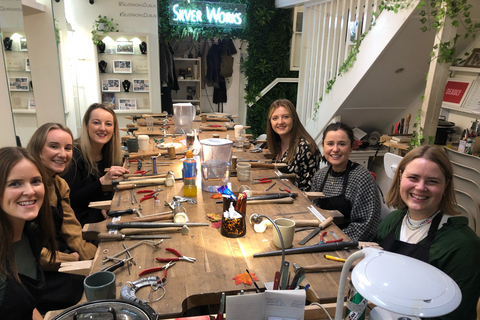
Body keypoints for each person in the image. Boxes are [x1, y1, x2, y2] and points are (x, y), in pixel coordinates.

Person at [376, 145, 480, 320]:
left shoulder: (463, 246)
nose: (420, 187)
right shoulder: (392, 221)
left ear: (446, 184)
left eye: (432, 181)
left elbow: (457, 315)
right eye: (413, 177)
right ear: (400, 177)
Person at [27, 123, 97, 268]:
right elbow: (32, 252)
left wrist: (94, 255)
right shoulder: (26, 192)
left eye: (68, 148)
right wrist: (72, 259)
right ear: (38, 148)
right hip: (34, 268)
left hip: (56, 254)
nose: (63, 154)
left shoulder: (60, 184)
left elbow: (71, 230)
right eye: (54, 146)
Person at [0, 147, 56, 320]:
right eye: (15, 183)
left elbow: (28, 306)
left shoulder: (30, 235)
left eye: (35, 181)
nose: (30, 191)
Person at [311, 122, 380, 241]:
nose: (335, 149)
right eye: (330, 144)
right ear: (323, 146)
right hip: (322, 237)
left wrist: (333, 239)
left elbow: (366, 227)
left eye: (342, 144)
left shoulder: (361, 178)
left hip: (350, 244)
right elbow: (315, 213)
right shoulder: (320, 176)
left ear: (351, 147)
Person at [63, 103, 129, 225]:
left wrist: (105, 202)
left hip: (98, 213)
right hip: (80, 223)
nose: (102, 128)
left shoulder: (108, 153)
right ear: (86, 126)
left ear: (114, 129)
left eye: (108, 124)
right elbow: (72, 200)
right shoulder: (74, 157)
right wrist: (102, 181)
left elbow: (105, 193)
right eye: (96, 122)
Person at [266, 99, 321, 191]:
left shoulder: (306, 148)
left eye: (286, 117)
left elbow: (309, 188)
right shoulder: (273, 144)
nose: (280, 122)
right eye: (275, 118)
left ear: (294, 119)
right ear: (270, 122)